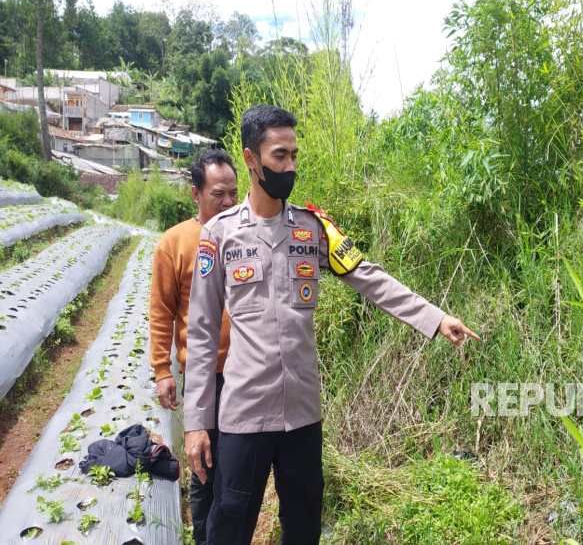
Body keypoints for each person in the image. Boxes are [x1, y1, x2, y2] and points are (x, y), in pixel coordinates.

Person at [184, 105, 480, 545]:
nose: (291, 167)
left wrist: (435, 319)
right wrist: (195, 423)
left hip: (302, 415)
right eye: (280, 156)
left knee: (303, 528)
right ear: (251, 159)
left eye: (294, 156)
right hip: (243, 415)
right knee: (229, 528)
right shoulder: (220, 235)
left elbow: (369, 277)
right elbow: (203, 332)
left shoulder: (313, 229)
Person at [149, 149, 238, 545]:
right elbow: (162, 310)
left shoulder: (243, 233)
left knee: (241, 469)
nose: (229, 202)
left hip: (249, 375)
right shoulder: (176, 243)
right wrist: (163, 370)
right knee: (204, 465)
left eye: (235, 193)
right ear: (195, 194)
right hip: (206, 377)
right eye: (219, 193)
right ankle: (204, 537)